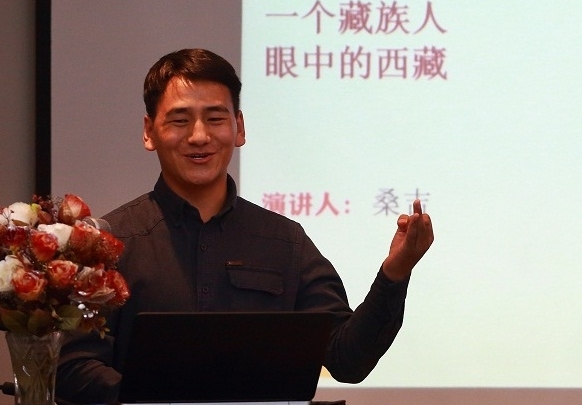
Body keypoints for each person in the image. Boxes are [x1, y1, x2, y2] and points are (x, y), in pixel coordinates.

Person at [55, 48, 434, 404]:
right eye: (180, 120)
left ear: (239, 128)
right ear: (149, 131)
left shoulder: (285, 242)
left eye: (215, 118)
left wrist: (395, 272)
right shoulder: (110, 243)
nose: (199, 136)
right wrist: (161, 398)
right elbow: (72, 368)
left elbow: (347, 360)